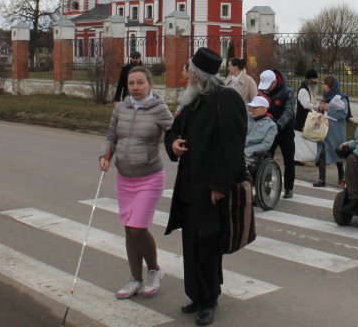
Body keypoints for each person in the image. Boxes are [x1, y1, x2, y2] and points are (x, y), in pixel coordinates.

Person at [164, 48, 247, 326]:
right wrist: (173, 144)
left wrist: (219, 186)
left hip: (211, 189)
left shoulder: (227, 100)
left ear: (198, 76)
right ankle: (196, 295)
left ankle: (209, 300)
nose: (184, 74)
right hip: (189, 186)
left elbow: (231, 147)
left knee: (208, 246)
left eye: (188, 70)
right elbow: (174, 129)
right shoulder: (192, 100)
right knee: (191, 244)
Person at [100, 66, 173, 299]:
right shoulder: (121, 108)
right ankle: (135, 279)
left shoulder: (160, 109)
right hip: (124, 176)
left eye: (140, 83)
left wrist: (178, 145)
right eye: (131, 83)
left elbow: (174, 133)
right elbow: (112, 136)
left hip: (150, 176)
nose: (135, 87)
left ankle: (154, 270)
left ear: (149, 84)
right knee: (129, 230)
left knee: (138, 228)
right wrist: (105, 156)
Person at [258, 69, 296, 199]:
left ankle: (289, 188)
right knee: (266, 158)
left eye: (269, 86)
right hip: (269, 129)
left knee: (289, 159)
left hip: (285, 129)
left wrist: (278, 125)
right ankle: (265, 188)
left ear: (275, 82)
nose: (266, 89)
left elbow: (288, 111)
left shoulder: (288, 92)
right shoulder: (263, 91)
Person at [313, 75, 350, 187]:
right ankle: (321, 179)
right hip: (323, 130)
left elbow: (343, 114)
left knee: (337, 154)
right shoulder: (325, 97)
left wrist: (329, 108)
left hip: (336, 132)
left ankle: (341, 177)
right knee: (322, 153)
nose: (324, 87)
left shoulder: (342, 98)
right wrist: (319, 109)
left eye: (326, 85)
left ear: (332, 86)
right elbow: (321, 109)